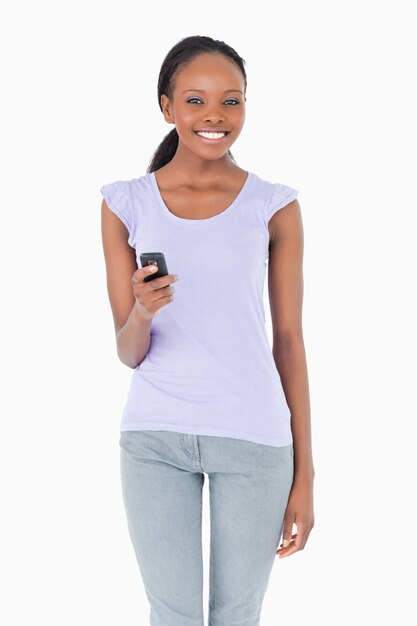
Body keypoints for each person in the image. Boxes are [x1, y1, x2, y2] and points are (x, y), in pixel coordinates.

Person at [100, 34, 315, 626]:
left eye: (232, 101)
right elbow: (128, 352)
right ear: (166, 107)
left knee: (236, 615)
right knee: (172, 616)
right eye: (195, 101)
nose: (215, 116)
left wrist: (306, 476)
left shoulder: (273, 205)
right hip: (154, 440)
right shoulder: (126, 203)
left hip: (255, 441)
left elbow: (290, 343)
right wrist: (143, 310)